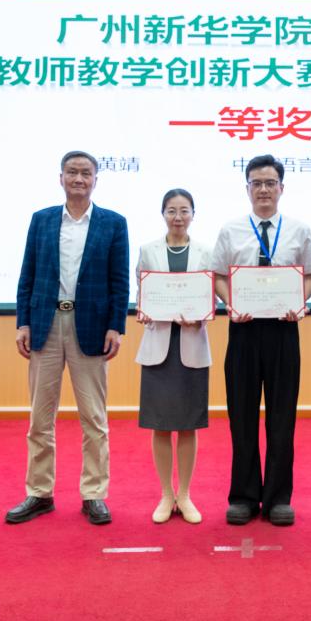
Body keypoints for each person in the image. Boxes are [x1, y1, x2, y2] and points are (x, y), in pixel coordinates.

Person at [5, 151, 129, 527]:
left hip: (91, 327)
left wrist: (116, 327)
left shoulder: (113, 223)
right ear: (60, 178)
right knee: (40, 418)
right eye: (72, 172)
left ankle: (94, 494)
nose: (78, 178)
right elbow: (27, 275)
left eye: (85, 173)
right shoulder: (42, 220)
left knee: (94, 418)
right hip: (45, 324)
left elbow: (119, 281)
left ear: (95, 180)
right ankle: (39, 492)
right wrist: (23, 323)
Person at [210, 154, 311, 526]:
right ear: (247, 189)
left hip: (283, 330)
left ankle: (277, 498)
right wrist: (230, 303)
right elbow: (218, 276)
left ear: (281, 188)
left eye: (270, 183)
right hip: (243, 329)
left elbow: (310, 276)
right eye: (256, 183)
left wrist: (298, 301)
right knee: (241, 416)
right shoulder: (231, 230)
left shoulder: (299, 230)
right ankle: (243, 496)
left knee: (282, 417)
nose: (263, 190)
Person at [134, 189, 211, 525]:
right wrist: (144, 311)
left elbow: (211, 299)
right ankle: (166, 494)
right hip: (159, 347)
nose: (178, 217)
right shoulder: (148, 251)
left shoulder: (206, 252)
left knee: (189, 425)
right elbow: (143, 293)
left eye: (184, 210)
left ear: (193, 214)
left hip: (192, 343)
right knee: (161, 425)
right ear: (162, 214)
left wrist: (201, 316)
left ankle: (185, 494)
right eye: (171, 210)